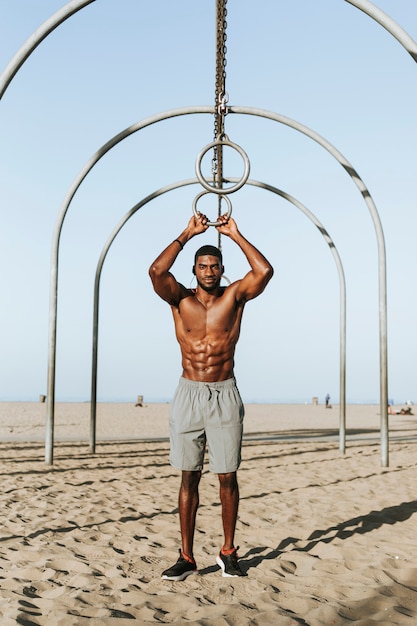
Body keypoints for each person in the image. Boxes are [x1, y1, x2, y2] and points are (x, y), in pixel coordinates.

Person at [149, 211, 273, 580]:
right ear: (194, 270)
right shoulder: (179, 300)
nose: (208, 271)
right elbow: (156, 272)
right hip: (188, 392)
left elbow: (264, 272)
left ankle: (228, 552)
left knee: (227, 476)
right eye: (202, 266)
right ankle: (186, 557)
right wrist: (187, 233)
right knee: (189, 477)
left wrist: (235, 234)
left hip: (224, 392)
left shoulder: (234, 297)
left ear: (221, 269)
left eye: (214, 266)